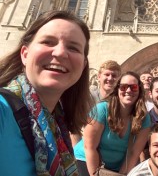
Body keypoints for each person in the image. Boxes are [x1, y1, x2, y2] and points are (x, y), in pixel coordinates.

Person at [0, 10, 94, 175]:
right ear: (25, 54)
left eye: (73, 48)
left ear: (84, 64)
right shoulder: (2, 110)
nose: (59, 53)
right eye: (48, 42)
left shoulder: (57, 126)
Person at [74, 71, 151, 175]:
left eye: (133, 87)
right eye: (124, 87)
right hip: (86, 160)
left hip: (115, 168)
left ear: (139, 91)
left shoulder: (144, 118)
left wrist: (121, 175)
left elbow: (133, 154)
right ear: (117, 89)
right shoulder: (102, 110)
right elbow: (90, 147)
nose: (128, 90)